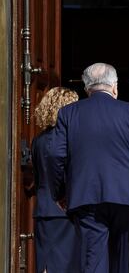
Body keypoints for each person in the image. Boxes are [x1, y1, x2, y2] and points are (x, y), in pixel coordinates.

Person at [51, 63, 129, 273]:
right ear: (114, 87)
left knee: (94, 262)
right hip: (127, 198)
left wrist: (60, 192)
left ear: (86, 89)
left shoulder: (68, 113)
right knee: (122, 262)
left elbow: (56, 155)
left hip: (87, 198)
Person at [31, 87, 80, 273]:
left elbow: (38, 176)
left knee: (46, 265)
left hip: (43, 211)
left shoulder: (38, 140)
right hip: (65, 211)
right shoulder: (67, 140)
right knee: (67, 266)